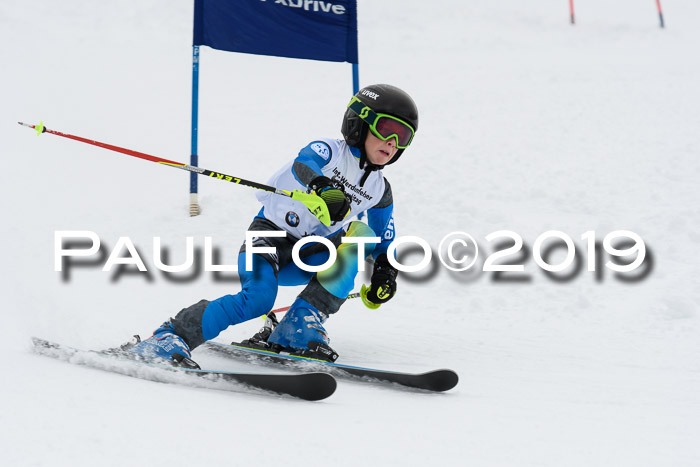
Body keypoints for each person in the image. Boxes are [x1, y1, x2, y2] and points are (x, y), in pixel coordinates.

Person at [129, 83, 419, 364]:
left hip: (311, 253)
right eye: (386, 129)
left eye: (403, 136)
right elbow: (303, 163)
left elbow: (382, 241)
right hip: (268, 237)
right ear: (360, 124)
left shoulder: (380, 190)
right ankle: (170, 335)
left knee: (361, 235)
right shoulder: (329, 150)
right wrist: (322, 186)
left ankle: (299, 325)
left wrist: (385, 271)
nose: (393, 143)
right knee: (257, 301)